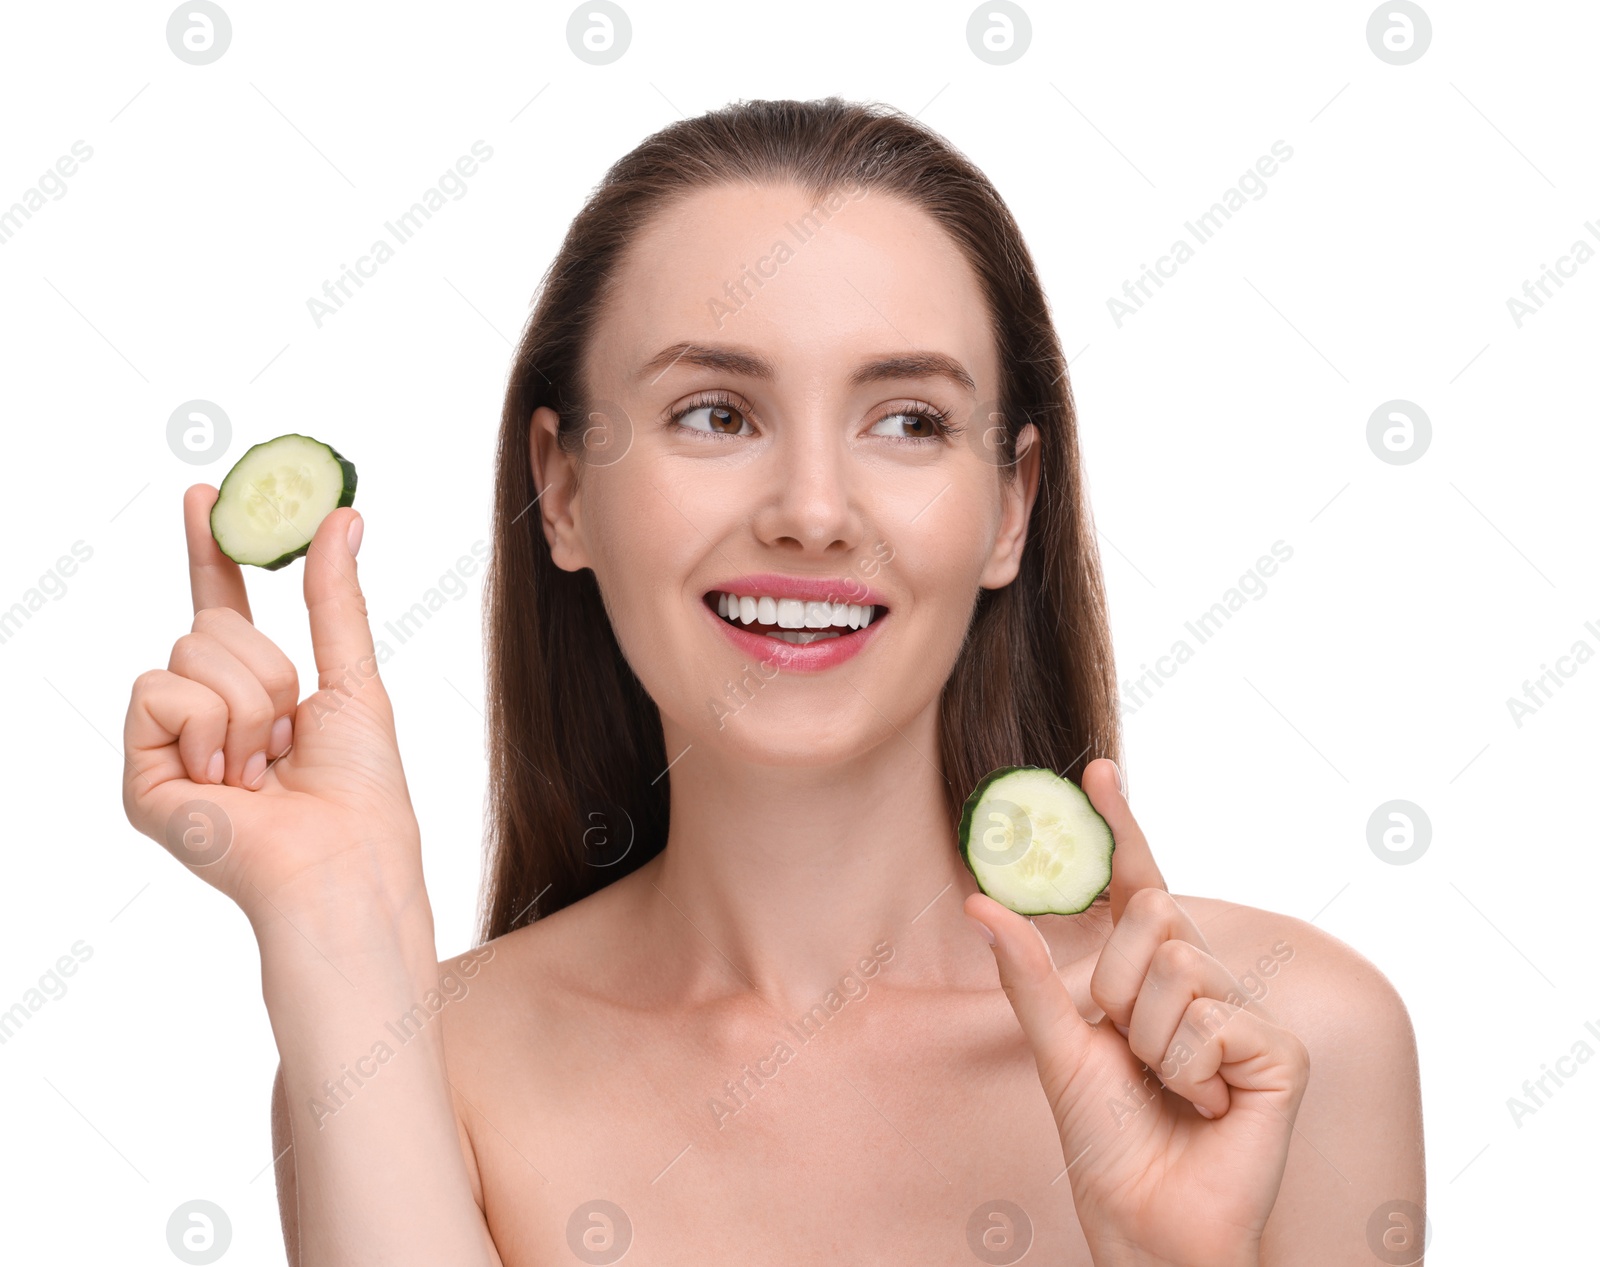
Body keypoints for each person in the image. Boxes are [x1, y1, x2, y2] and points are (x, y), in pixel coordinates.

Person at [122, 97, 1423, 1265]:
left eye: (907, 421)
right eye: (716, 414)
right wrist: (338, 929)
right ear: (564, 489)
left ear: (1012, 507)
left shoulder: (1283, 1050)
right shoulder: (415, 1068)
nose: (811, 511)